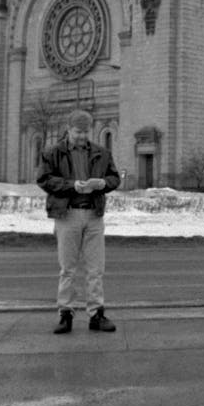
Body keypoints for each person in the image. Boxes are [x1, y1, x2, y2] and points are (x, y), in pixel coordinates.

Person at [39, 109, 122, 334]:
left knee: (96, 269)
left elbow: (115, 178)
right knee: (68, 268)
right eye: (78, 132)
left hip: (94, 215)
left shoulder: (101, 153)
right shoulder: (53, 152)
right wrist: (71, 186)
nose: (82, 136)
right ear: (69, 129)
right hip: (68, 215)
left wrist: (103, 184)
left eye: (85, 132)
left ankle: (96, 314)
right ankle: (65, 314)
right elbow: (44, 179)